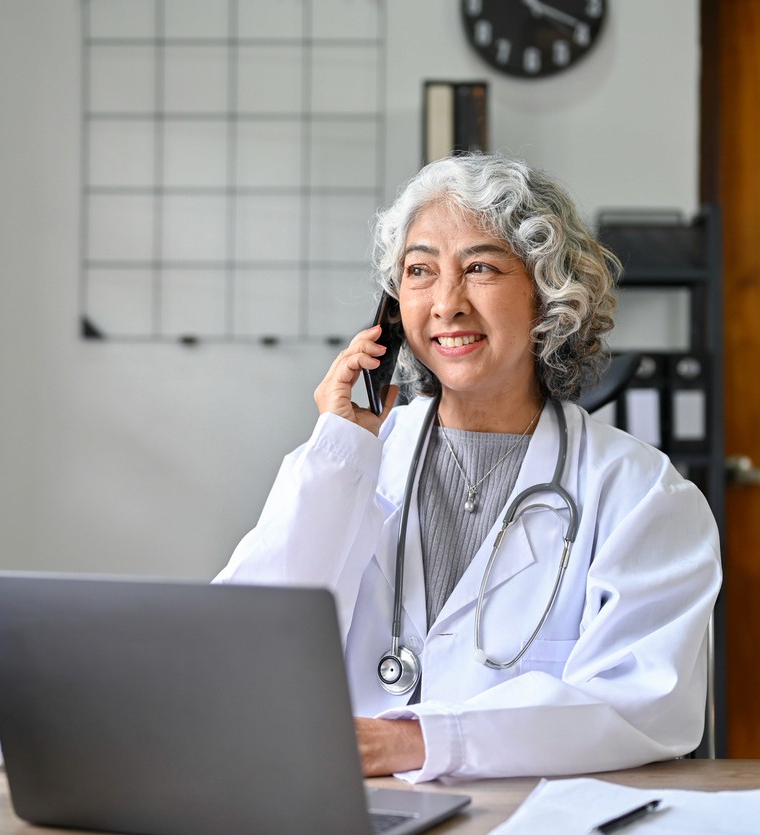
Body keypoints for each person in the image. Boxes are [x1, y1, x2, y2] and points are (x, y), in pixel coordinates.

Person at [215, 153, 721, 783]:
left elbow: (646, 704)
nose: (446, 304)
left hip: (528, 819)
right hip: (351, 811)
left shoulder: (643, 495)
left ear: (548, 292)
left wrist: (418, 742)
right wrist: (338, 451)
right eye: (420, 271)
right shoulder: (351, 462)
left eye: (480, 268)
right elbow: (236, 652)